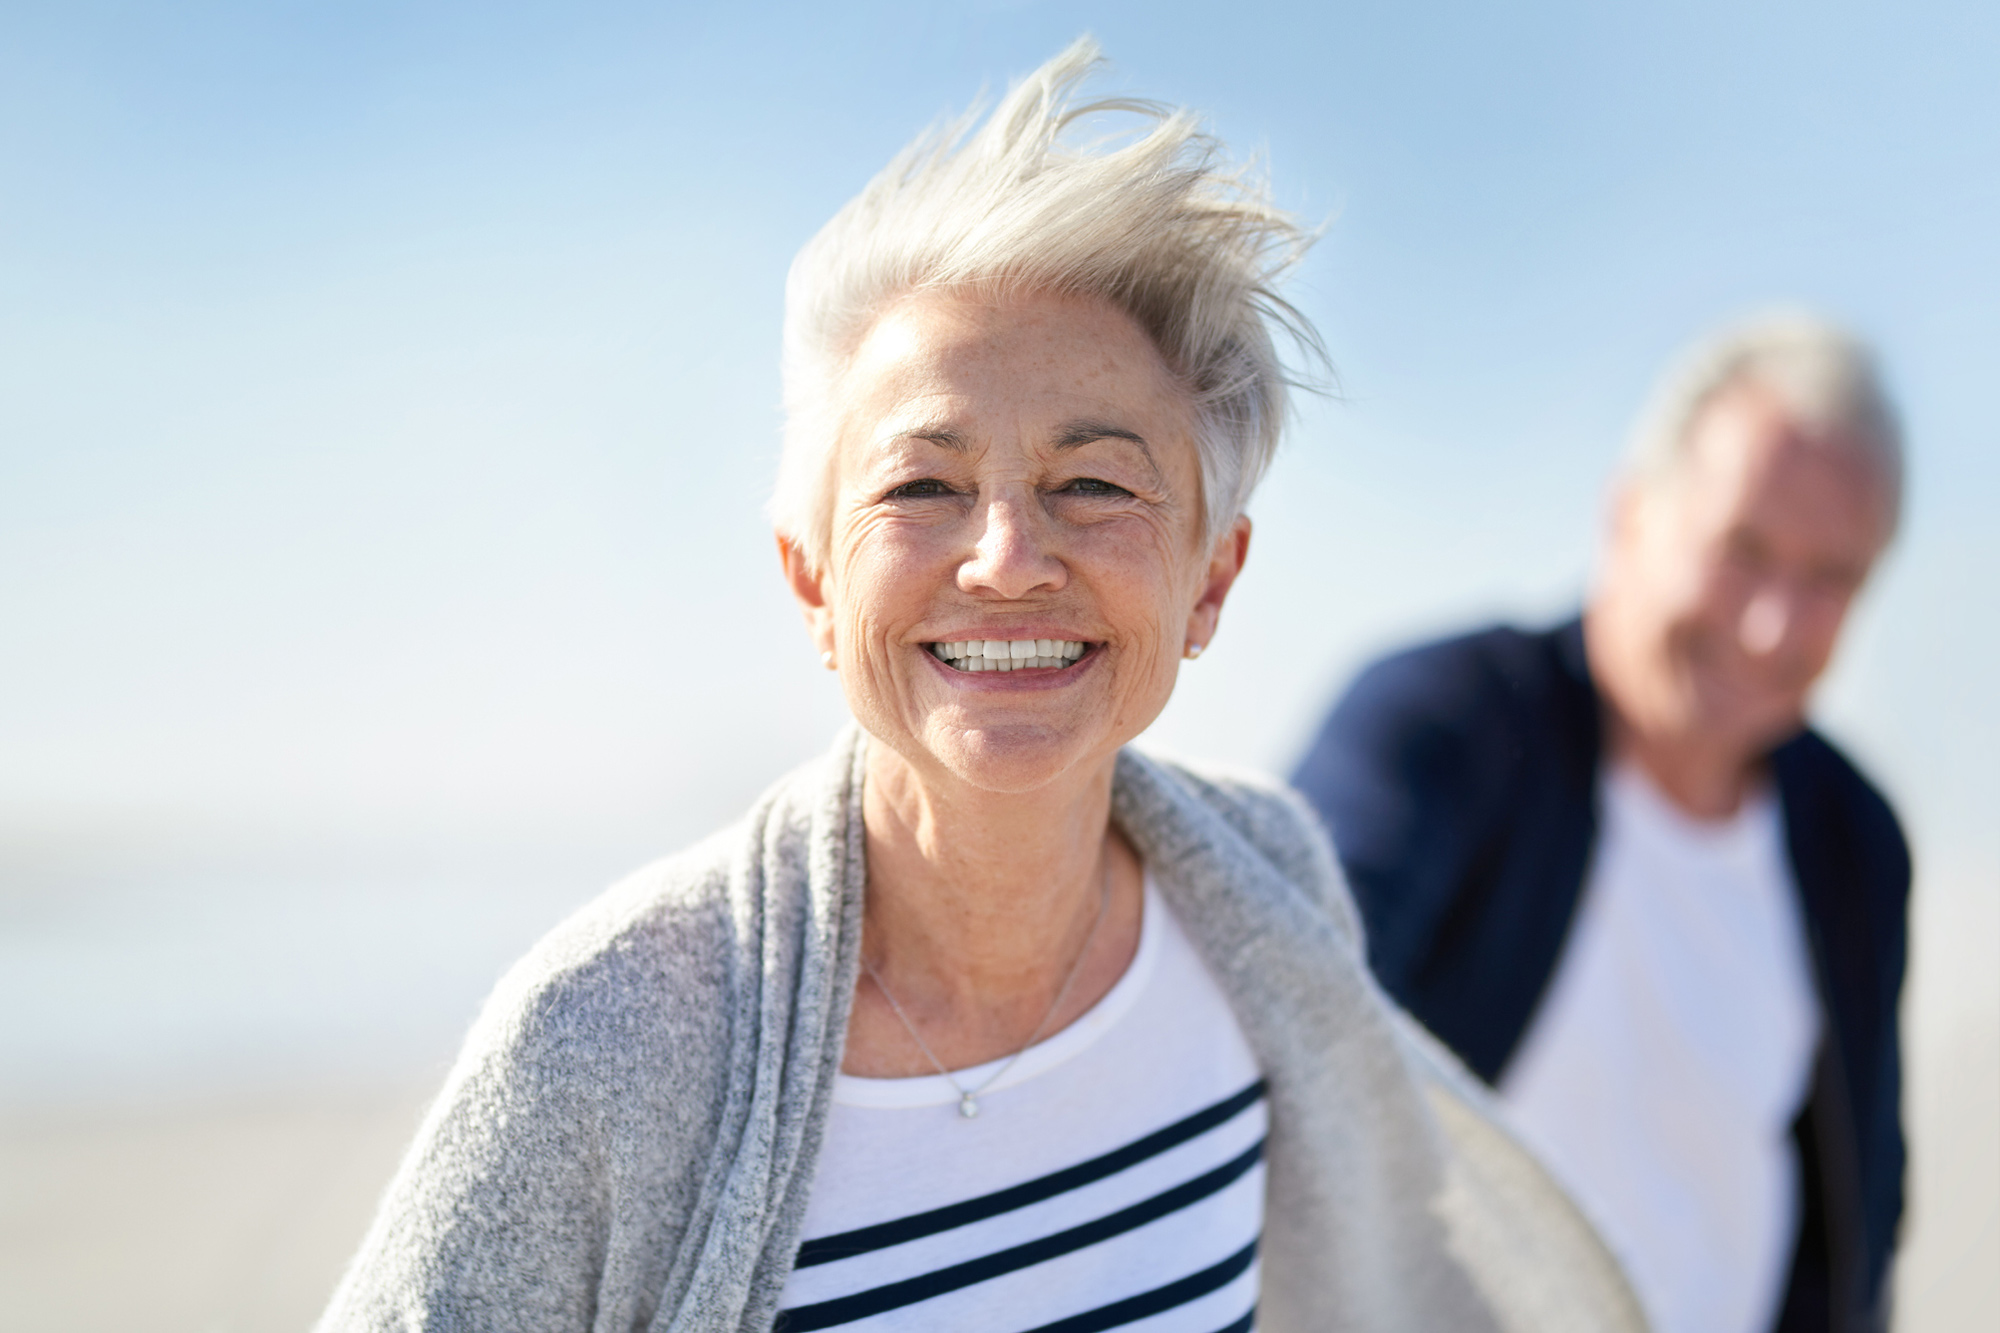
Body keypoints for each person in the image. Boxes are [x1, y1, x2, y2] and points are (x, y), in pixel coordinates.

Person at [317, 41, 1643, 1333]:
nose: (1007, 560)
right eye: (924, 485)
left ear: (1211, 581)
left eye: (1095, 484)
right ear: (813, 583)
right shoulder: (611, 1036)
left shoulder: (1264, 890)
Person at [1291, 315, 1909, 1333]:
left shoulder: (1853, 837)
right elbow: (1275, 1038)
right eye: (1740, 549)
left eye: (1828, 579)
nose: (1771, 625)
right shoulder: (1442, 728)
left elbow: (1860, 1211)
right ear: (1627, 516)